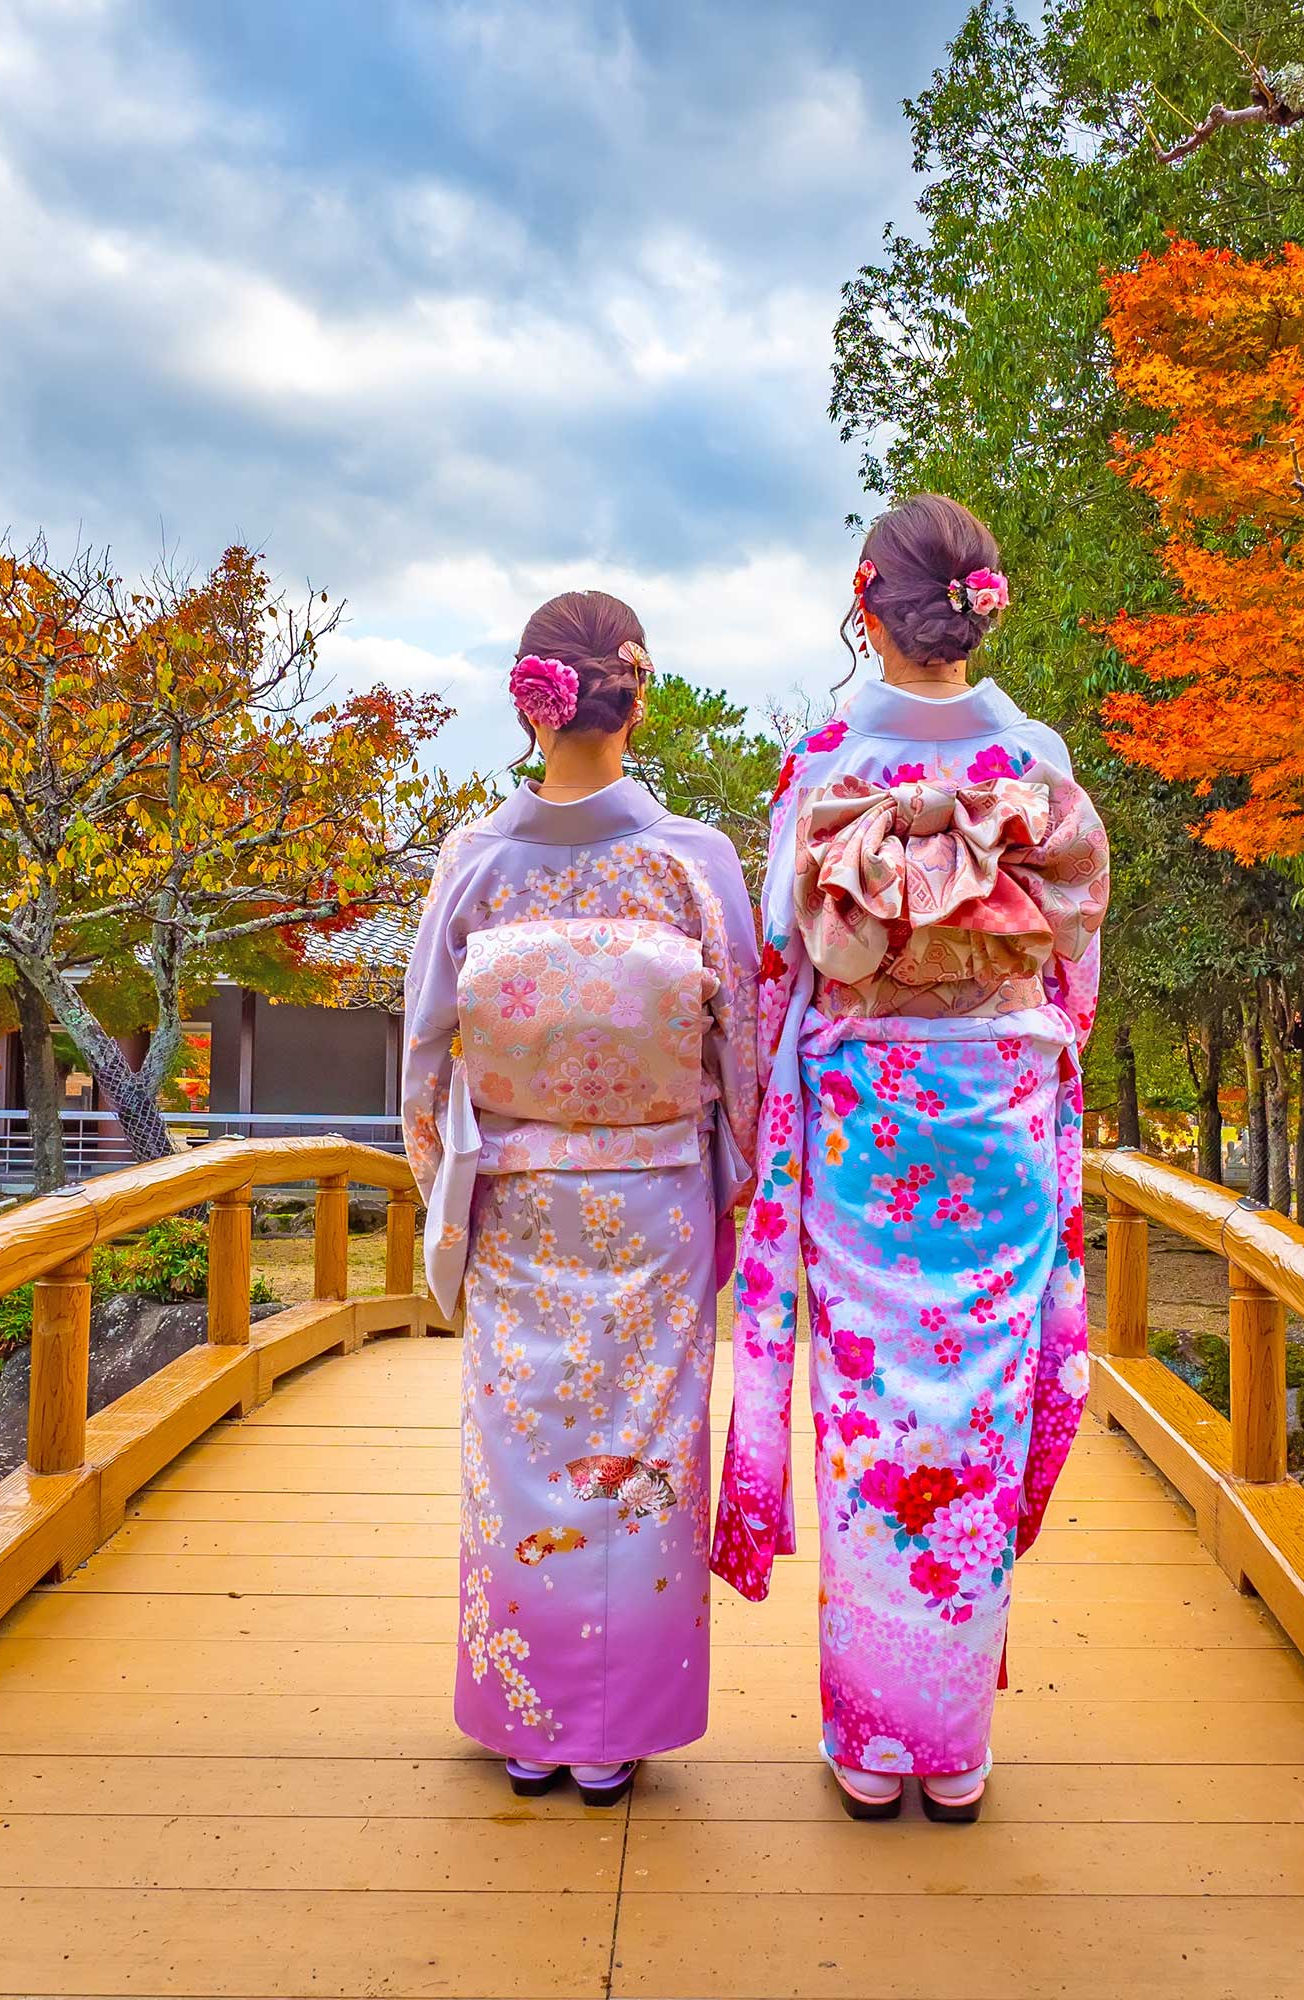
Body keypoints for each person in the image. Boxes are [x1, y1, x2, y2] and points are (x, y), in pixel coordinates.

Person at [709, 494, 1110, 1821]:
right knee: (978, 1413)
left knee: (872, 1416)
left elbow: (780, 958)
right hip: (996, 1110)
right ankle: (957, 1750)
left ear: (865, 599)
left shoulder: (825, 751)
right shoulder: (1034, 751)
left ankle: (874, 1744)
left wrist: (779, 1091)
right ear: (977, 603)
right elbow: (1076, 964)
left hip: (865, 1118)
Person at [399, 591, 760, 1807]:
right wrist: (735, 1182)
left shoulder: (475, 864)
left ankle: (529, 1716)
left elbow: (424, 1054)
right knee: (646, 1446)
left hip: (519, 1193)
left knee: (523, 1446)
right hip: (655, 1195)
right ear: (635, 695)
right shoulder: (692, 864)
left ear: (529, 700)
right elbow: (741, 1058)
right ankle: (619, 1723)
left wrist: (448, 1182)